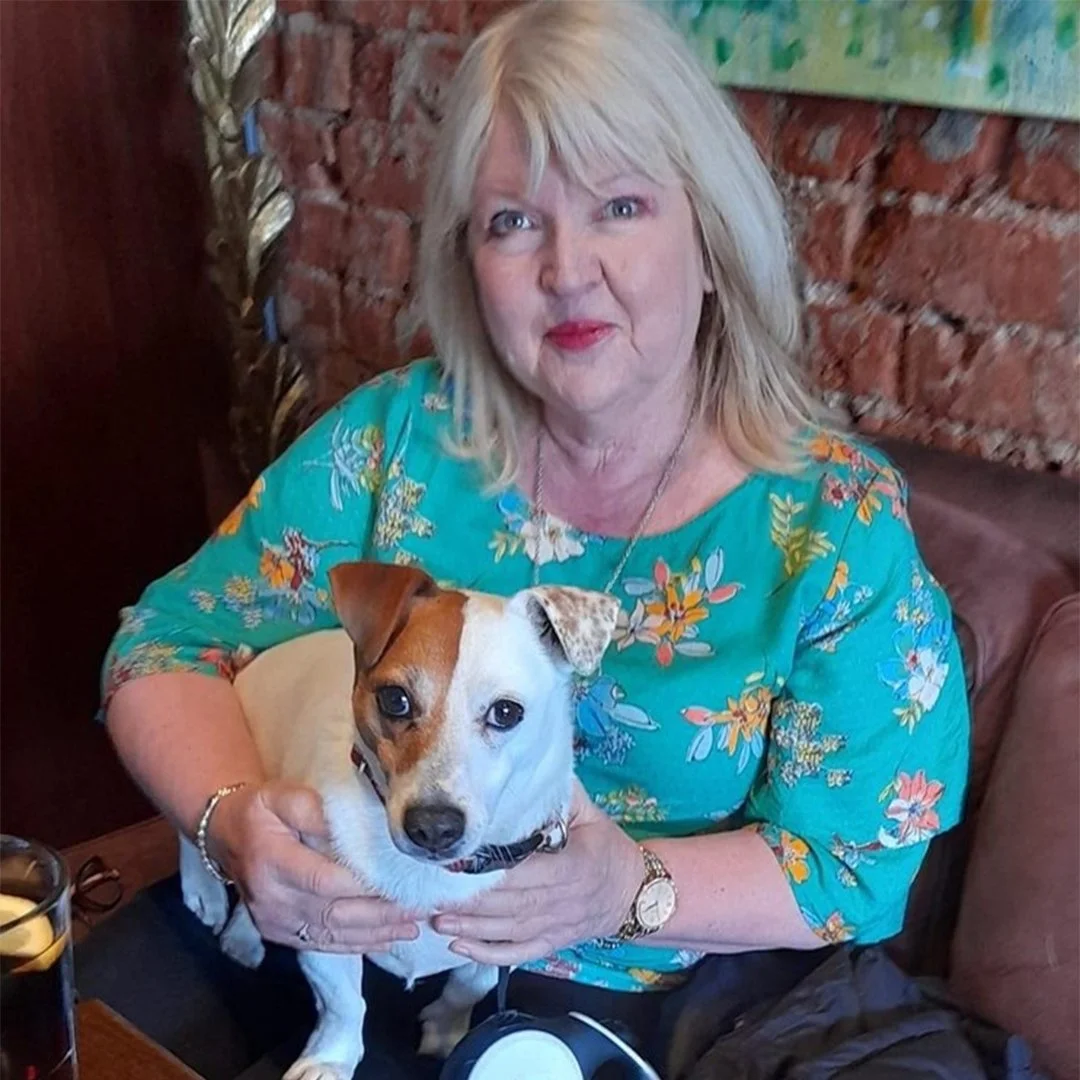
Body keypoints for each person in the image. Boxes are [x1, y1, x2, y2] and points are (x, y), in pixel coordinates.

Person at [88, 2, 970, 1076]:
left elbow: (855, 865)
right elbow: (162, 643)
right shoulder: (397, 441)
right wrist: (234, 823)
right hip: (321, 926)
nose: (564, 266)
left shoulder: (835, 530)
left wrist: (627, 886)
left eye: (619, 205)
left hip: (613, 987)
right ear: (469, 262)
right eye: (513, 221)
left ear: (709, 241)